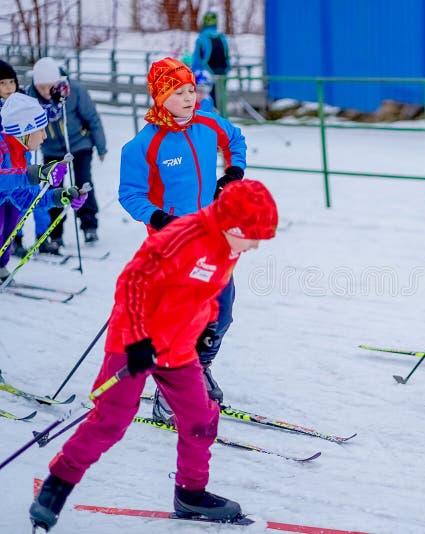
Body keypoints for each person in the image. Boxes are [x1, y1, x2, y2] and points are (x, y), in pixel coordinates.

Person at [28, 179, 279, 532]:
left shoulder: (230, 247)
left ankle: (190, 494)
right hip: (133, 341)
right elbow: (132, 282)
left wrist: (206, 324)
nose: (255, 245)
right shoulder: (183, 237)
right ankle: (56, 486)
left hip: (178, 347)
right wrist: (136, 342)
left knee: (200, 418)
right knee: (111, 420)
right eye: (253, 235)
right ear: (233, 225)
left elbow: (199, 290)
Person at [118, 57, 247, 423]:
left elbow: (235, 139)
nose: (190, 97)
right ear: (161, 97)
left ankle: (200, 368)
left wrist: (233, 172)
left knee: (221, 312)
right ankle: (167, 394)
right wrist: (159, 218)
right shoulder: (143, 145)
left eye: (191, 89)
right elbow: (130, 194)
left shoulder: (207, 123)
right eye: (179, 91)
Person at [0, 93, 87, 281]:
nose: (45, 136)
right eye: (41, 130)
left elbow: (26, 198)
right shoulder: (2, 148)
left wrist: (60, 196)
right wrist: (35, 173)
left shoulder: (22, 155)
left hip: (8, 205)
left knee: (10, 225)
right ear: (25, 130)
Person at [26, 56, 107, 252]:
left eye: (49, 87)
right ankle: (55, 232)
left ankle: (89, 224)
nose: (46, 92)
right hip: (52, 149)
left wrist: (101, 146)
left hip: (79, 143)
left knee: (82, 182)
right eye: (41, 88)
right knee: (54, 188)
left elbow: (92, 118)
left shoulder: (73, 91)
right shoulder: (31, 96)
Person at [0, 59, 29, 260]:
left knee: (12, 224)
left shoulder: (23, 106)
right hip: (3, 176)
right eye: (2, 83)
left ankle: (3, 264)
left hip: (20, 171)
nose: (9, 87)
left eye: (11, 82)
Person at [192, 11, 231, 108]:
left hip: (206, 73)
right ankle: (220, 114)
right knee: (220, 98)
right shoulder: (222, 38)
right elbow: (226, 56)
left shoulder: (202, 38)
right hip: (222, 72)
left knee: (205, 100)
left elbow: (197, 59)